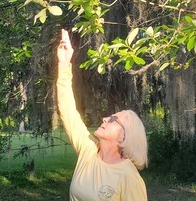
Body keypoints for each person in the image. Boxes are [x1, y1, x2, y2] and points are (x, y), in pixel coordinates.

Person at [56, 29, 148, 201]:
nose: (106, 118)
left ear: (124, 137)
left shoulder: (128, 176)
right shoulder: (88, 149)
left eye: (114, 119)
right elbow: (67, 109)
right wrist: (64, 64)